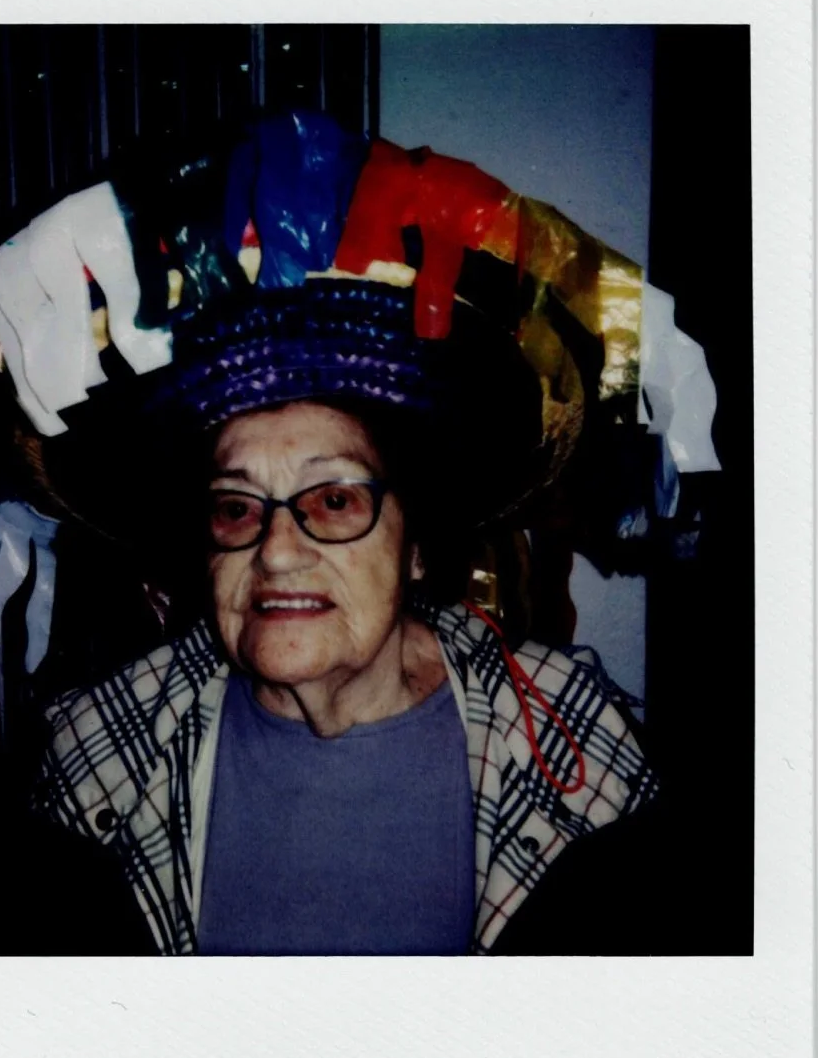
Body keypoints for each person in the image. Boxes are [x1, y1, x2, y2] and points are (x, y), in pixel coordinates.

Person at [33, 279, 659, 955]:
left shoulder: (578, 746)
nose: (275, 552)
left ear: (415, 548)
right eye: (236, 507)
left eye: (334, 500)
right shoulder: (98, 755)